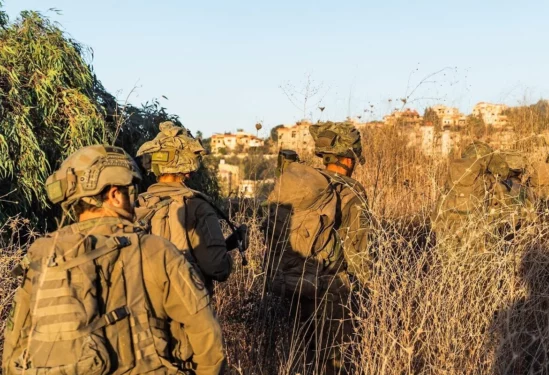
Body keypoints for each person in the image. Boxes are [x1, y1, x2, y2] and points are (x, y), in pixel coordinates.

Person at [2, 145, 225, 375]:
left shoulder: (42, 254)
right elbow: (208, 338)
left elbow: (14, 348)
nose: (134, 197)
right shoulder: (156, 251)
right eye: (131, 189)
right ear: (115, 195)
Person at [263, 122, 372, 374]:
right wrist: (367, 290)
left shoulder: (306, 184)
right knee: (334, 361)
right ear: (349, 158)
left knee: (299, 357)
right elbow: (359, 248)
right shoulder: (349, 191)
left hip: (292, 283)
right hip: (330, 291)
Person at [135, 121, 244, 294]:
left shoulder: (136, 204)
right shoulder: (197, 206)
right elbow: (217, 267)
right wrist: (228, 253)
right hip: (185, 310)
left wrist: (224, 245)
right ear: (189, 168)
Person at [432, 141, 511, 245]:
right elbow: (504, 172)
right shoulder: (485, 178)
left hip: (447, 229)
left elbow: (437, 211)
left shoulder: (453, 177)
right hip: (473, 234)